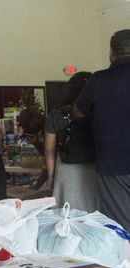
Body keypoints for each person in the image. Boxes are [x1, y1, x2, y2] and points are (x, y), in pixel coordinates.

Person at [74, 29, 130, 231]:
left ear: (111, 53)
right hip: (112, 161)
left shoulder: (99, 80)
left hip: (112, 162)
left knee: (119, 225)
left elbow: (78, 113)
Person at [43, 72, 98, 211]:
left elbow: (49, 150)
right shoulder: (98, 111)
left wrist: (51, 178)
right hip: (94, 167)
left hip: (66, 169)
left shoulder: (57, 114)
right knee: (94, 212)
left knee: (67, 214)